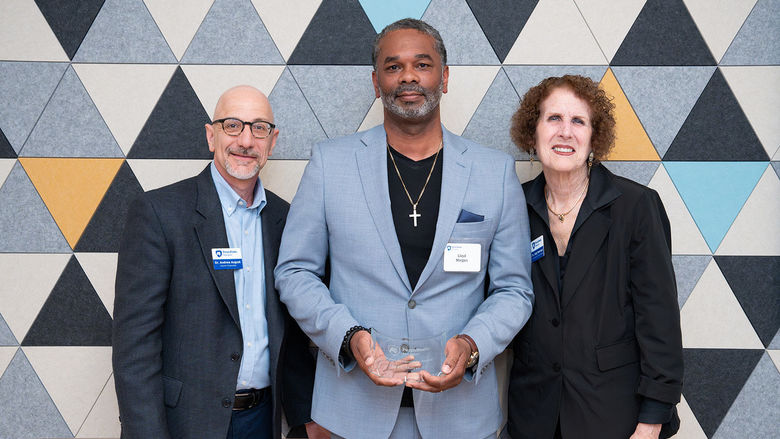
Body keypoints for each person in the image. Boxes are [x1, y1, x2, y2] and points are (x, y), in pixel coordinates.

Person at [274, 18, 534, 439]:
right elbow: (294, 272)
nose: (408, 76)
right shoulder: (330, 163)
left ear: (444, 77)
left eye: (422, 64)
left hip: (461, 417)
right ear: (376, 83)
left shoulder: (494, 172)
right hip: (350, 414)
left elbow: (514, 290)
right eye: (393, 66)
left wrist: (471, 346)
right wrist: (349, 337)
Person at [113, 85, 327, 439]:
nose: (245, 140)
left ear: (272, 142)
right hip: (184, 423)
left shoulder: (285, 219)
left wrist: (306, 416)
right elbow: (135, 346)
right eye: (233, 126)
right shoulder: (159, 213)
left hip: (262, 420)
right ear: (211, 136)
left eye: (259, 128)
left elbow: (290, 331)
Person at [506, 75, 683, 439]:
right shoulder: (512, 205)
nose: (565, 132)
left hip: (614, 415)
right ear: (533, 131)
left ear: (593, 136)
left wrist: (652, 421)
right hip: (533, 415)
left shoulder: (636, 206)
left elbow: (659, 322)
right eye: (553, 118)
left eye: (578, 121)